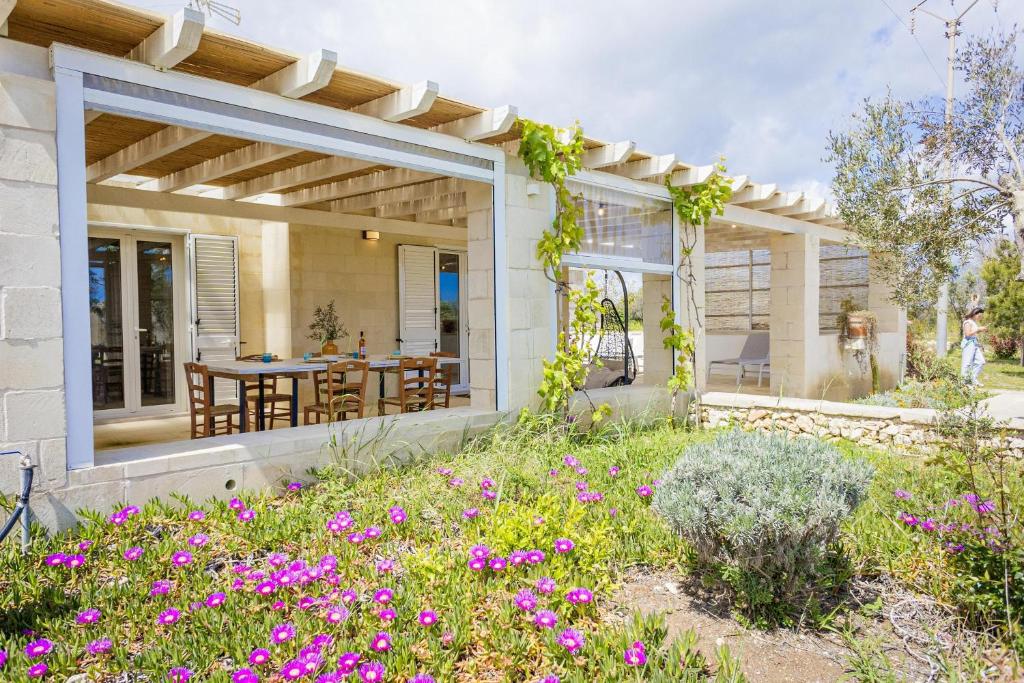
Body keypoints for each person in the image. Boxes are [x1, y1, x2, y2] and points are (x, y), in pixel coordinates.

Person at [960, 306, 987, 386]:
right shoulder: (967, 322)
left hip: (974, 343)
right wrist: (978, 329)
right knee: (967, 363)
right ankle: (964, 382)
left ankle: (972, 379)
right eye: (979, 316)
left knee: (981, 361)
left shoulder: (973, 322)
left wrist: (979, 343)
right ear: (975, 314)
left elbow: (973, 334)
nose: (980, 317)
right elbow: (967, 334)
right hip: (968, 344)